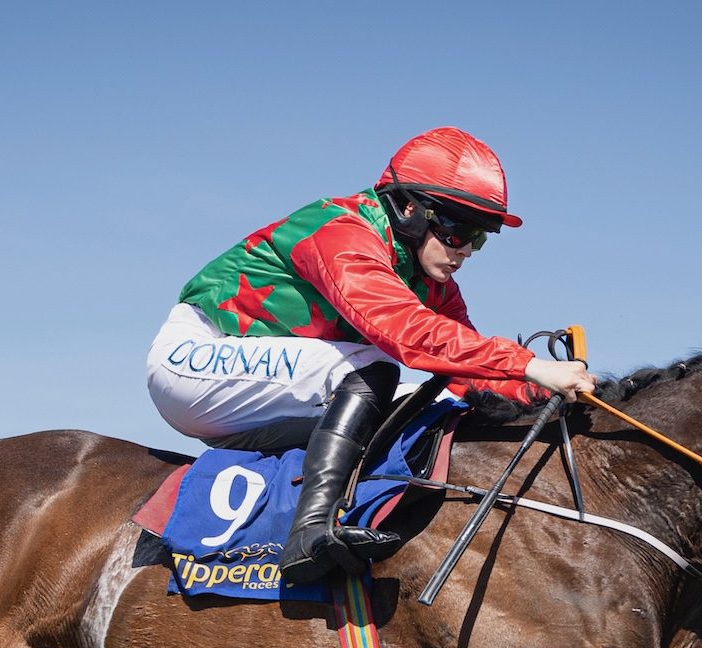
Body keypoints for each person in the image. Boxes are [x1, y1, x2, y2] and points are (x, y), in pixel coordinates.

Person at [146, 126, 596, 585]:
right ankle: (310, 533)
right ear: (408, 209)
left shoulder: (435, 284)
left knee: (434, 404)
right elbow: (407, 335)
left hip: (259, 394)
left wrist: (539, 393)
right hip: (193, 361)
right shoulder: (339, 232)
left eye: (479, 238)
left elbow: (463, 371)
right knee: (374, 365)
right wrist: (531, 363)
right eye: (457, 230)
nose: (465, 250)